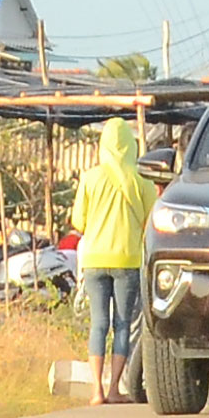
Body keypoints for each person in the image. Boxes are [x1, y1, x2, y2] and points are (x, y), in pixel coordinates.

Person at [73, 114, 157, 402]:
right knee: (122, 324)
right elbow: (150, 221)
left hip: (94, 260)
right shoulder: (142, 180)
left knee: (98, 323)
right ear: (131, 146)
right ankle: (114, 389)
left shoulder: (90, 178)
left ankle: (96, 390)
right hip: (127, 260)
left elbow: (78, 222)